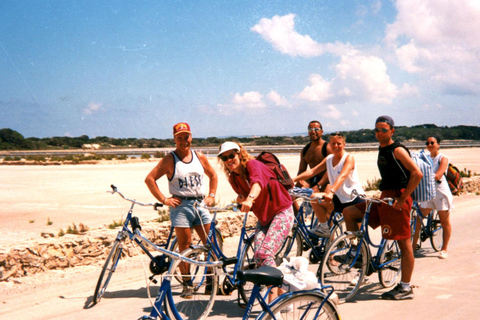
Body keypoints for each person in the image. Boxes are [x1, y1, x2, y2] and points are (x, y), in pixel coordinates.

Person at [343, 116, 423, 300]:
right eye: (377, 130)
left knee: (404, 243)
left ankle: (405, 287)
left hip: (398, 198)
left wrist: (403, 198)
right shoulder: (382, 148)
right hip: (385, 197)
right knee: (349, 212)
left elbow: (416, 174)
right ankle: (359, 255)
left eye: (384, 130)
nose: (379, 133)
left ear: (392, 131)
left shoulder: (397, 150)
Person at [145, 122, 218, 298]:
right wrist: (164, 199)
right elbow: (150, 179)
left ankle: (211, 280)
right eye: (180, 138)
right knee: (185, 248)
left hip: (200, 205)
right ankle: (187, 284)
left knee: (211, 244)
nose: (184, 141)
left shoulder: (199, 157)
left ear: (191, 137)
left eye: (187, 137)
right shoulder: (170, 159)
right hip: (181, 207)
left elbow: (213, 175)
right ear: (175, 139)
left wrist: (212, 195)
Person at [217, 141, 294, 302]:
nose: (229, 160)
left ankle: (273, 302)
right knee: (260, 257)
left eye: (232, 155)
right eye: (225, 158)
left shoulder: (253, 165)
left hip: (282, 212)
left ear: (240, 154)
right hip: (264, 218)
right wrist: (242, 199)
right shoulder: (233, 178)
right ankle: (285, 295)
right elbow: (243, 195)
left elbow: (257, 184)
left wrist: (250, 199)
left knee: (265, 253)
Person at [293, 132, 365, 237]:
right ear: (329, 145)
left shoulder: (348, 158)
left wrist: (331, 192)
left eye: (339, 143)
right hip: (340, 198)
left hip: (354, 199)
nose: (336, 146)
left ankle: (355, 249)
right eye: (333, 143)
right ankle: (324, 228)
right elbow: (313, 171)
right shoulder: (329, 159)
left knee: (355, 237)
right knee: (313, 197)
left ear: (344, 144)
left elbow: (342, 176)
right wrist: (293, 179)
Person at [412, 136, 453, 259]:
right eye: (427, 143)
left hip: (440, 192)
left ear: (438, 145)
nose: (429, 145)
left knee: (444, 221)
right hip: (428, 192)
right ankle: (412, 246)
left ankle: (444, 249)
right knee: (418, 218)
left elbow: (438, 175)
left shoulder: (443, 158)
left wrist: (422, 178)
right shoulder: (424, 158)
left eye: (432, 143)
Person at [296, 120, 332, 191]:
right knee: (297, 190)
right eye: (310, 129)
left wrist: (319, 185)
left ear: (322, 132)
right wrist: (299, 180)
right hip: (313, 178)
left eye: (316, 129)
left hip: (328, 179)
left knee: (325, 196)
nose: (313, 131)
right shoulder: (305, 150)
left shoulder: (327, 148)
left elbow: (331, 170)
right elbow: (301, 170)